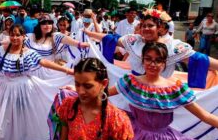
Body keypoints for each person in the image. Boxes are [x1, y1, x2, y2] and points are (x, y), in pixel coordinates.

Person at [109, 42, 218, 140]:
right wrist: (79, 90)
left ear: (164, 63)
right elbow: (103, 94)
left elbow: (204, 116)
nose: (152, 64)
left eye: (158, 60)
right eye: (148, 59)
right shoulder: (131, 82)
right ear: (142, 60)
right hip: (133, 138)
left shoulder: (174, 89)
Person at [84, 8, 218, 89]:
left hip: (160, 92)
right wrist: (90, 34)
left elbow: (199, 59)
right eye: (143, 25)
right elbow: (111, 39)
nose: (145, 29)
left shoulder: (172, 46)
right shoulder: (134, 41)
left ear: (159, 27)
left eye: (150, 25)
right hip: (134, 88)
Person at [52, 58, 137, 140]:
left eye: (87, 86)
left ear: (104, 83)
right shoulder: (69, 106)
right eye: (77, 84)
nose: (81, 91)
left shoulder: (115, 118)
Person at [25, 14, 89, 79]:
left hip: (49, 73)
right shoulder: (30, 37)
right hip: (32, 74)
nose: (47, 26)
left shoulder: (55, 37)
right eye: (44, 23)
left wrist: (80, 44)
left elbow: (67, 39)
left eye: (50, 23)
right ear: (39, 25)